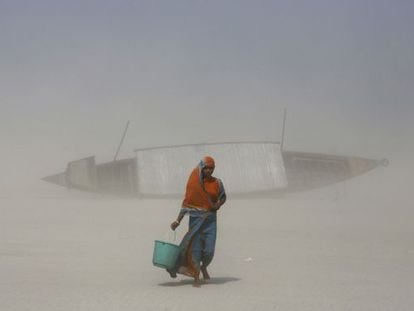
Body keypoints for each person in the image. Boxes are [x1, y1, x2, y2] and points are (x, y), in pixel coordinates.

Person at [168, 156, 226, 287]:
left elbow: (223, 197)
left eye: (212, 168)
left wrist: (218, 204)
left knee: (209, 251)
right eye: (207, 168)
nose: (210, 171)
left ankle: (204, 266)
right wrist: (178, 221)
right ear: (202, 168)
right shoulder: (194, 185)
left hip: (210, 221)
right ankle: (196, 276)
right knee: (196, 249)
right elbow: (186, 204)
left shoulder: (218, 183)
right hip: (196, 221)